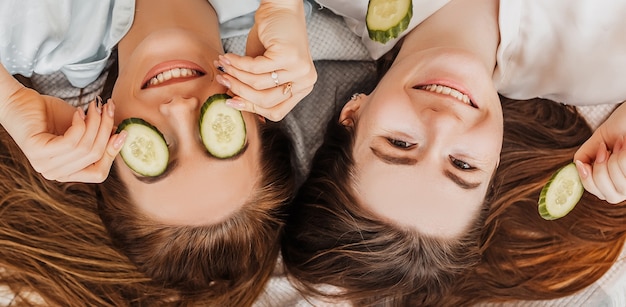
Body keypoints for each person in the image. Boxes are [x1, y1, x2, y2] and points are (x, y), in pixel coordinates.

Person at [273, 0, 626, 305]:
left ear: (353, 115)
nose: (441, 124)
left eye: (399, 143)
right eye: (462, 164)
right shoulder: (603, 68)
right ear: (495, 162)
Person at [0, 0, 316, 305]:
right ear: (260, 117)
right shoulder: (277, 18)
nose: (179, 108)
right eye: (218, 133)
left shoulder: (31, 36)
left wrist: (10, 102)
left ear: (109, 145)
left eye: (158, 145)